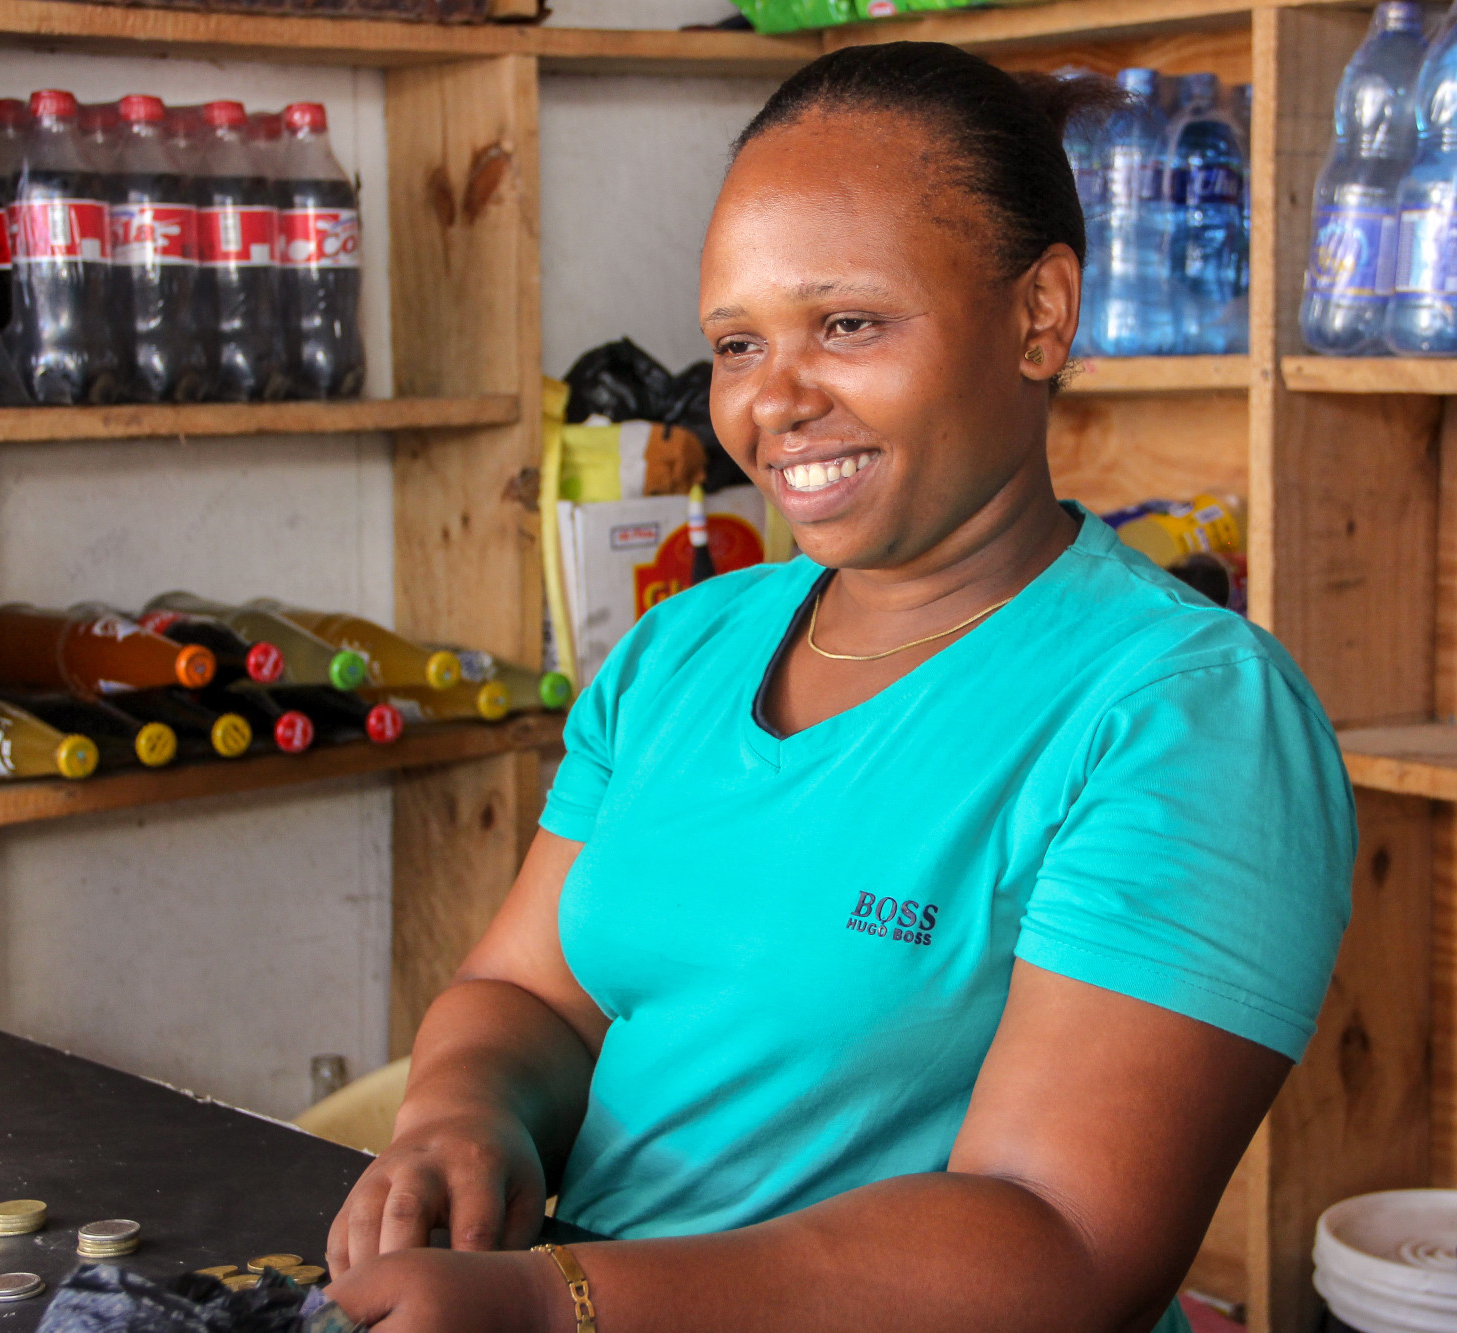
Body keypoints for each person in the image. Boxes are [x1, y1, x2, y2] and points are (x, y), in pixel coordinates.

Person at [322, 41, 1356, 1333]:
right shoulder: (680, 649)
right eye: (739, 343)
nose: (776, 400)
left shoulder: (1183, 714)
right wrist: (461, 1120)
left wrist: (559, 1301)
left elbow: (1066, 1244)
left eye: (848, 323)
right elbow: (531, 993)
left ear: (1040, 316)